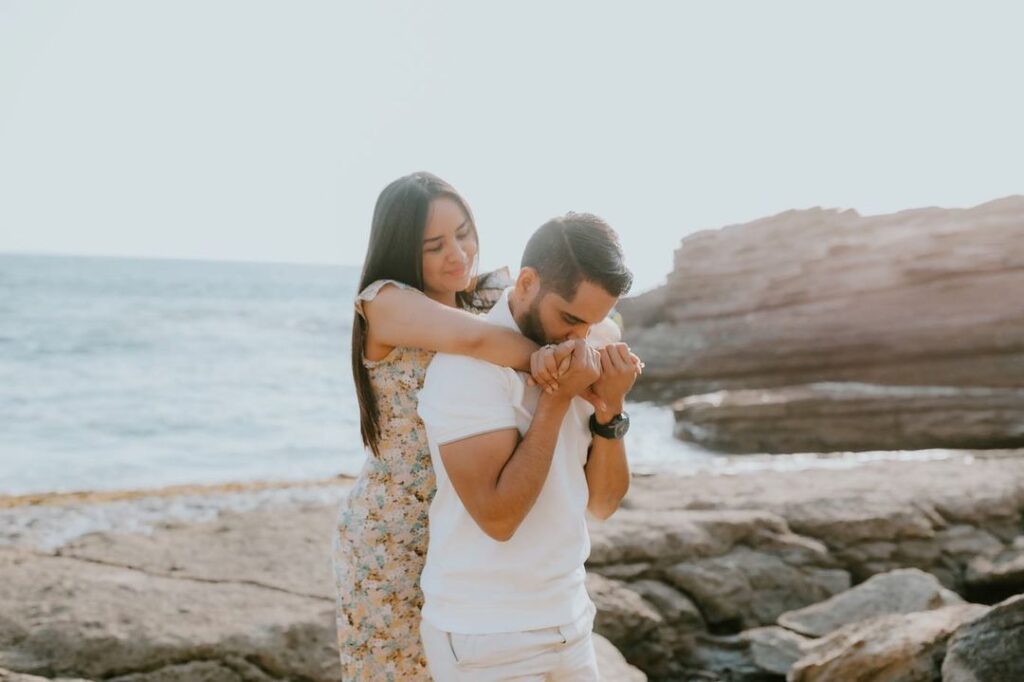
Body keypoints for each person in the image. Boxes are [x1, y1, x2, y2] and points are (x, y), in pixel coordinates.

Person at [333, 172, 572, 680]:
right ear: (401, 250)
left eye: (464, 233)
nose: (458, 253)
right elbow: (485, 344)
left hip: (464, 524)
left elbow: (584, 318)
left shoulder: (481, 298)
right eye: (434, 245)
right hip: (395, 534)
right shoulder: (385, 301)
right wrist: (566, 367)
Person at [416, 212, 640, 681]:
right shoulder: (464, 372)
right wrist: (557, 398)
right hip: (487, 635)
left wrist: (610, 409)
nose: (581, 338)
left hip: (570, 618)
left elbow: (602, 504)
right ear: (526, 281)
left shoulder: (587, 349)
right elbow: (499, 518)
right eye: (570, 318)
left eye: (595, 323)